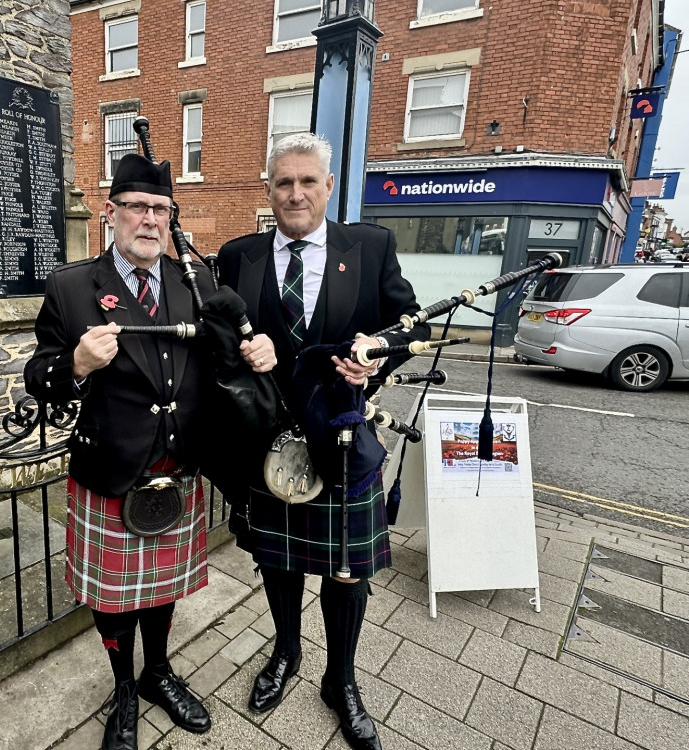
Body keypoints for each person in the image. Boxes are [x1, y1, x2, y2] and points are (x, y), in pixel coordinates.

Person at [24, 153, 274, 750]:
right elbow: (40, 375)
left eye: (160, 209)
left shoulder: (199, 282)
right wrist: (77, 364)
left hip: (178, 465)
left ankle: (158, 671)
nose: (150, 220)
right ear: (111, 214)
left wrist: (258, 348)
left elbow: (227, 355)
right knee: (113, 598)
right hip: (112, 467)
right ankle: (125, 690)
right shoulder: (71, 287)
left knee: (161, 591)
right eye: (137, 207)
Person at [217, 132, 429, 750]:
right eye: (284, 182)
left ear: (328, 186)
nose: (296, 193)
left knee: (345, 572)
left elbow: (405, 321)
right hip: (269, 441)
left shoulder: (369, 245)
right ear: (268, 189)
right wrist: (239, 350)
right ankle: (285, 653)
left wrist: (374, 359)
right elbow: (217, 339)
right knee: (277, 561)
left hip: (341, 438)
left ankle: (341, 680)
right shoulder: (239, 255)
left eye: (308, 181)